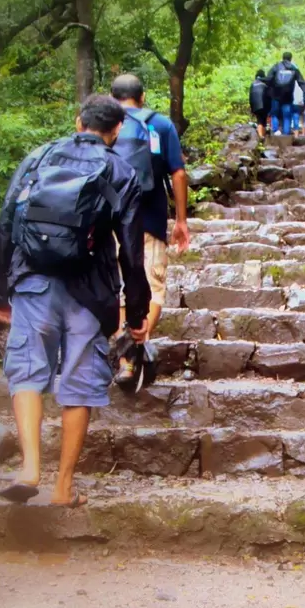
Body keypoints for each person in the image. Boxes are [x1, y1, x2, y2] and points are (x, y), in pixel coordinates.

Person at [0, 94, 150, 508]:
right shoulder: (121, 170)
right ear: (115, 131)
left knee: (27, 371)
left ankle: (29, 468)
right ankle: (63, 488)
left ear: (78, 122)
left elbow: (7, 221)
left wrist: (0, 292)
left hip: (33, 280)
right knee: (79, 384)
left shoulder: (39, 157)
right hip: (90, 290)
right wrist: (135, 313)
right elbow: (131, 251)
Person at [110, 73, 190, 384]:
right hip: (150, 218)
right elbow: (178, 175)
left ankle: (123, 356)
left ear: (112, 97)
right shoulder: (160, 124)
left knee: (118, 285)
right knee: (153, 284)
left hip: (111, 219)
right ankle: (133, 352)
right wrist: (181, 221)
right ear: (142, 97)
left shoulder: (104, 124)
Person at [265, 52, 304, 136]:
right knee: (287, 116)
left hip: (276, 95)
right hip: (288, 96)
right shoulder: (294, 68)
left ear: (282, 58)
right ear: (290, 58)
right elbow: (301, 82)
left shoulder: (276, 67)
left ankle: (275, 132)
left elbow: (268, 79)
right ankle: (286, 134)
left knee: (274, 114)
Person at [249, 69, 269, 139]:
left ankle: (261, 136)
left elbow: (250, 97)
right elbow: (268, 96)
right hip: (264, 104)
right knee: (263, 121)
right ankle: (261, 136)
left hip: (255, 105)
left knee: (259, 120)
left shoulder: (253, 84)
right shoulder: (265, 84)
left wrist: (252, 108)